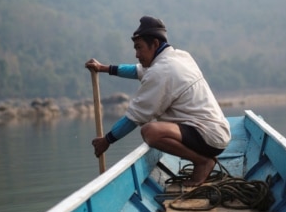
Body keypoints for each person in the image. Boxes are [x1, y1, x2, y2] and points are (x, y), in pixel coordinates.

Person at [85, 16, 231, 186]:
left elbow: (134, 118)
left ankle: (202, 162)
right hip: (218, 133)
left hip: (208, 136)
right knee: (152, 129)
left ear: (154, 44)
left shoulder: (161, 71)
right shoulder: (180, 56)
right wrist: (103, 68)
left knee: (150, 132)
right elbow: (137, 70)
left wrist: (106, 141)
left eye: (139, 48)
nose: (137, 54)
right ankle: (203, 160)